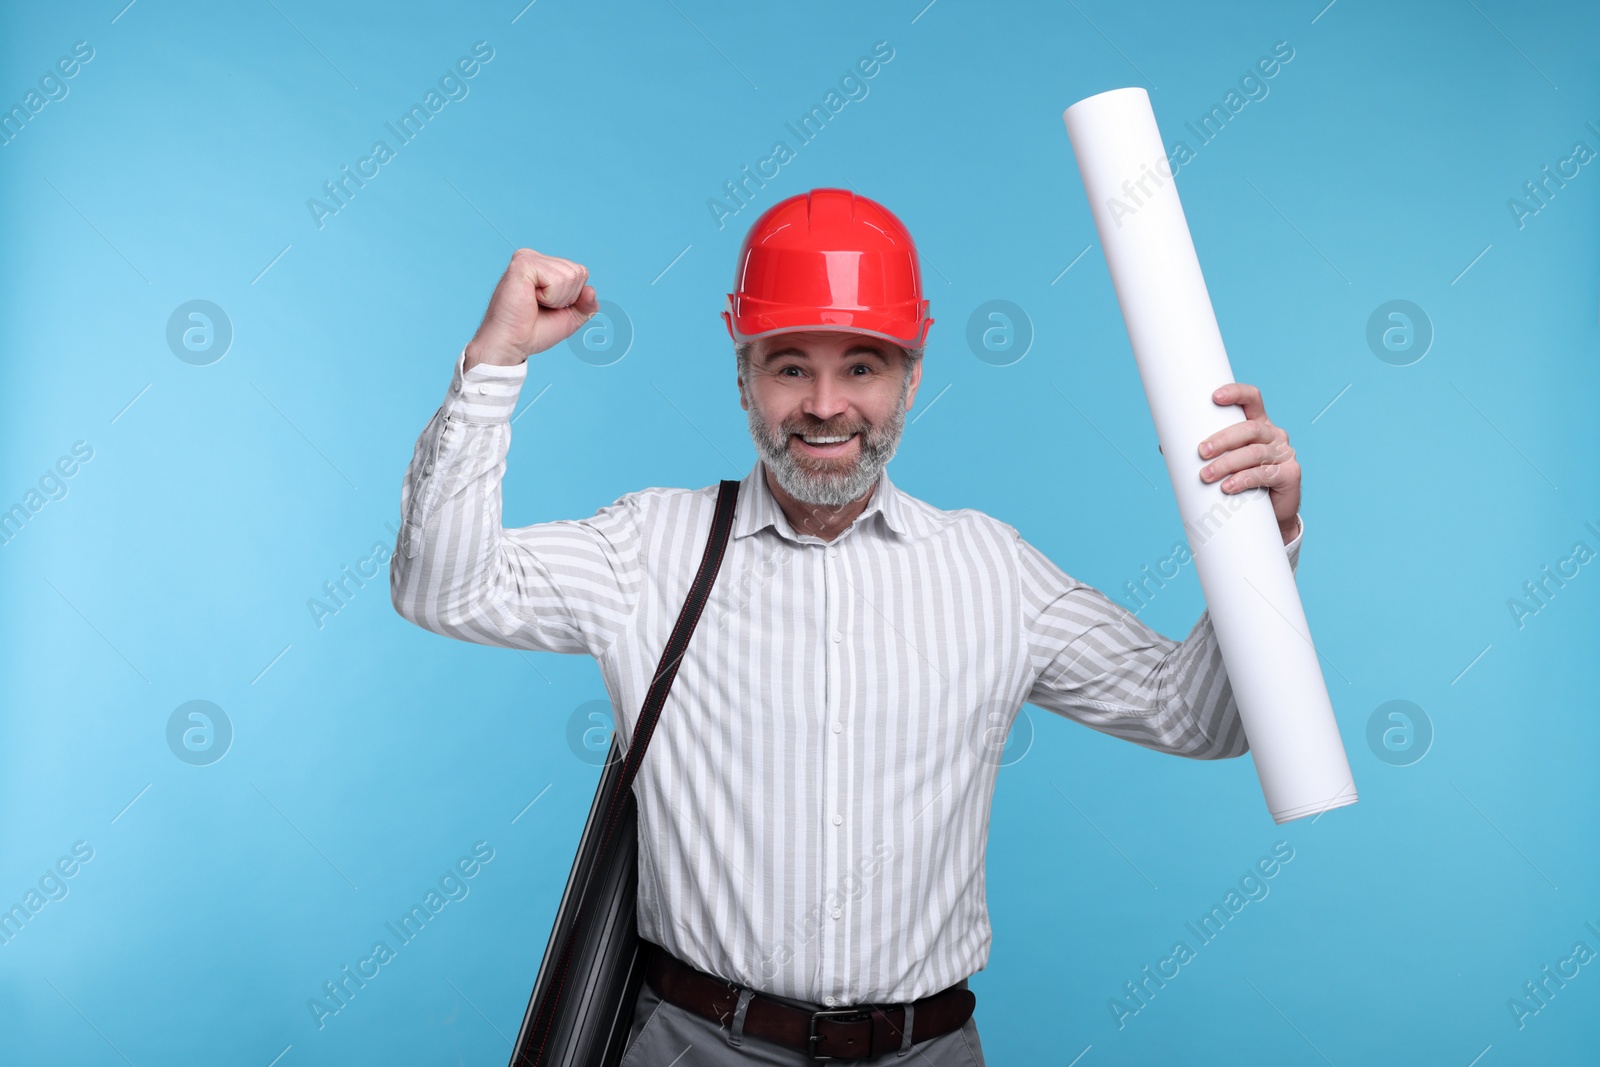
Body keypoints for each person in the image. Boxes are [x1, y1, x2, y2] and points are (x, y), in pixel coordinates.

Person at [391, 188, 1304, 1065]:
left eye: (861, 366)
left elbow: (1201, 718)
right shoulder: (650, 550)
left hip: (928, 1050)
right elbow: (445, 589)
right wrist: (495, 360)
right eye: (791, 365)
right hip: (698, 1045)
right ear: (743, 371)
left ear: (913, 374)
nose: (826, 405)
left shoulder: (991, 569)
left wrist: (1258, 539)